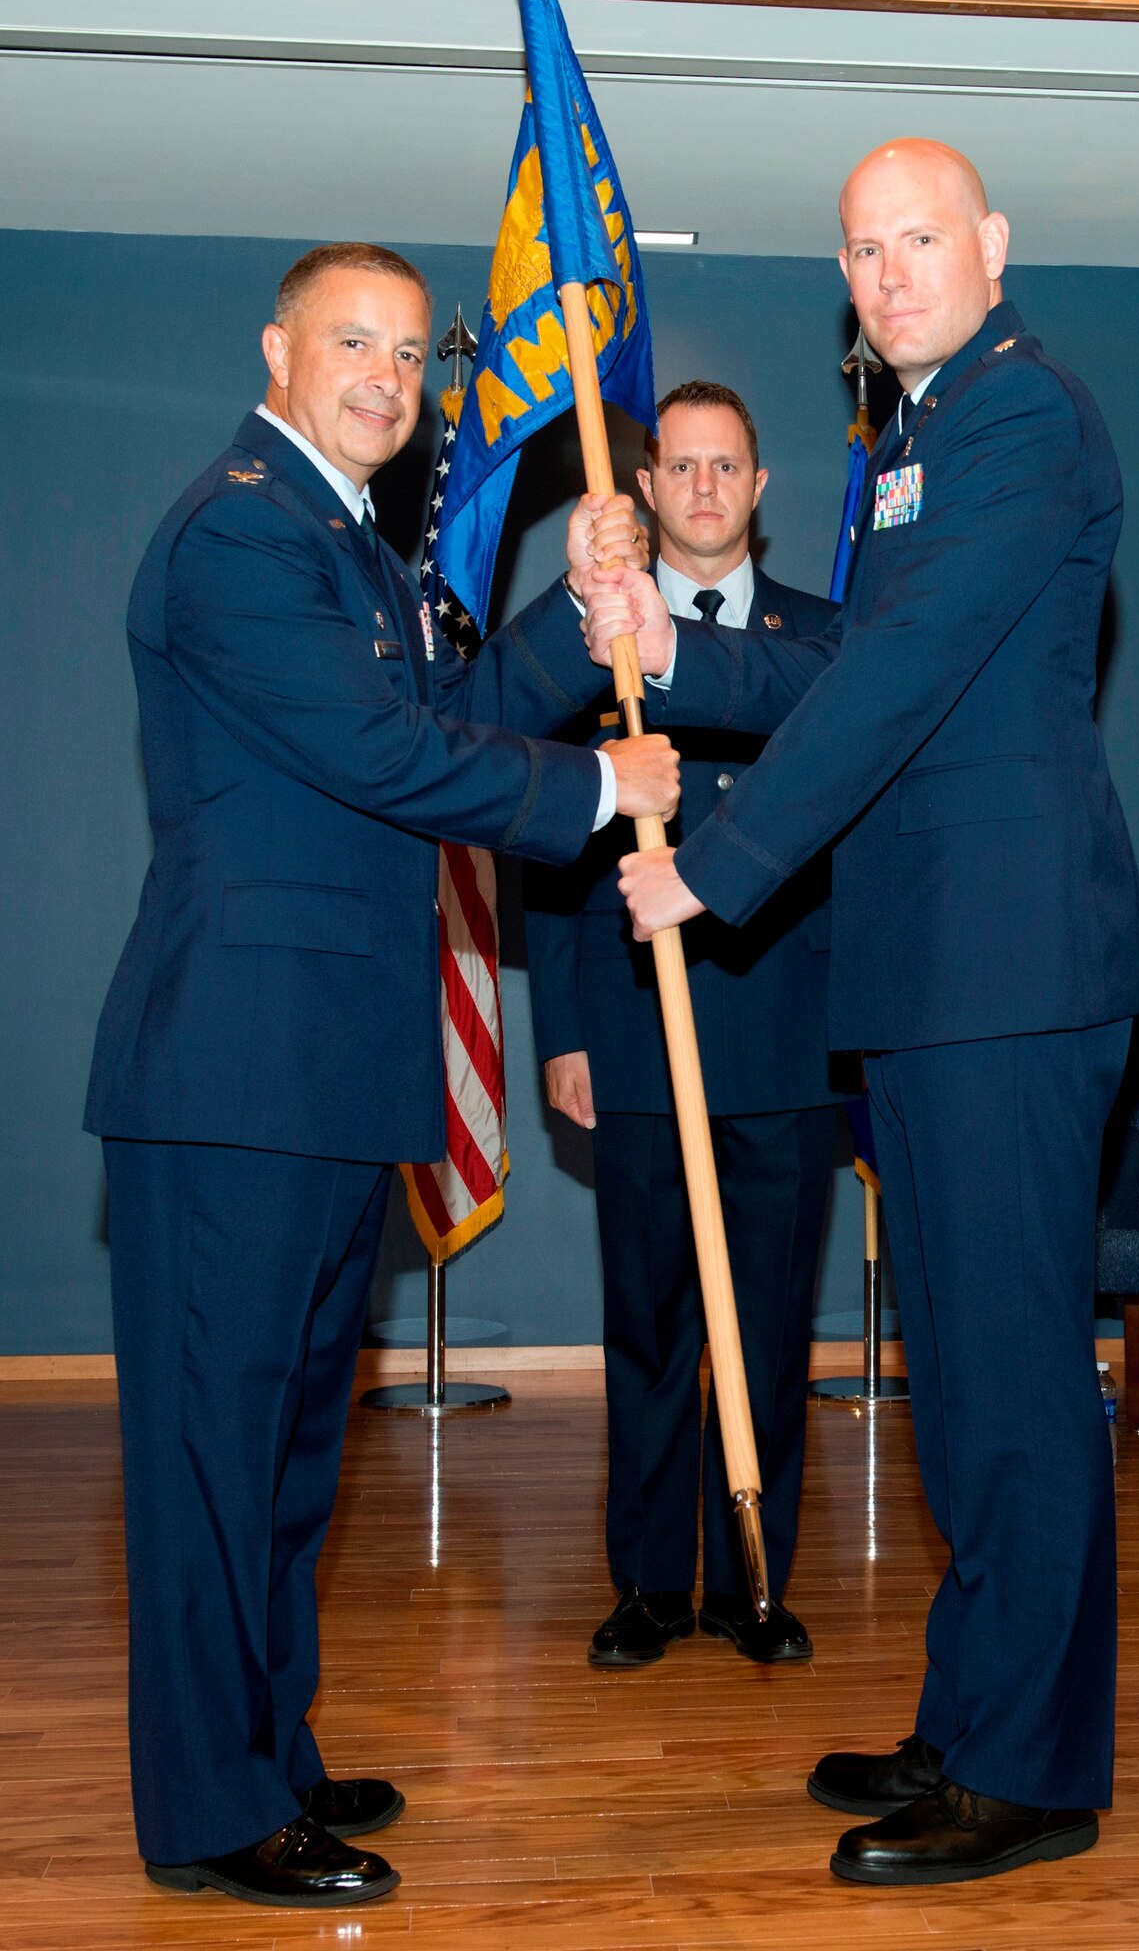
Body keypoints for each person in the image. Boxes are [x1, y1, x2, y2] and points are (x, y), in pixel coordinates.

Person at [584, 139, 1139, 1886]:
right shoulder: (908, 445)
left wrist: (720, 859)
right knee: (962, 1377)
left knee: (1006, 1387)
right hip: (928, 984)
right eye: (862, 248)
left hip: (1008, 974)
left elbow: (905, 679)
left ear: (991, 245)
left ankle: (1033, 1771)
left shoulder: (1017, 417)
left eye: (920, 237)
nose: (889, 269)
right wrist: (673, 654)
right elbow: (849, 657)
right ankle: (972, 1714)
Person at [84, 241, 679, 1909]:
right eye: (353, 342)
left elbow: (458, 700)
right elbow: (379, 753)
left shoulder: (351, 549)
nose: (386, 378)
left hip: (327, 1073)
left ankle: (265, 1750)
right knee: (218, 1458)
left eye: (411, 355)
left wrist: (581, 604)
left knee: (281, 1458)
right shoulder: (239, 534)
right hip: (232, 1078)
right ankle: (210, 1814)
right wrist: (594, 790)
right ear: (277, 350)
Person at [525, 383, 841, 1670]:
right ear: (644, 490)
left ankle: (755, 1577)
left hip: (780, 1026)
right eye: (681, 468)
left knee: (764, 1320)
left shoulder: (830, 641)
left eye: (728, 466)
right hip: (635, 1029)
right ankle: (653, 1582)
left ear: (760, 487)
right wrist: (560, 1027)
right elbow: (545, 843)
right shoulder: (585, 641)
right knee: (649, 1321)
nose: (704, 488)